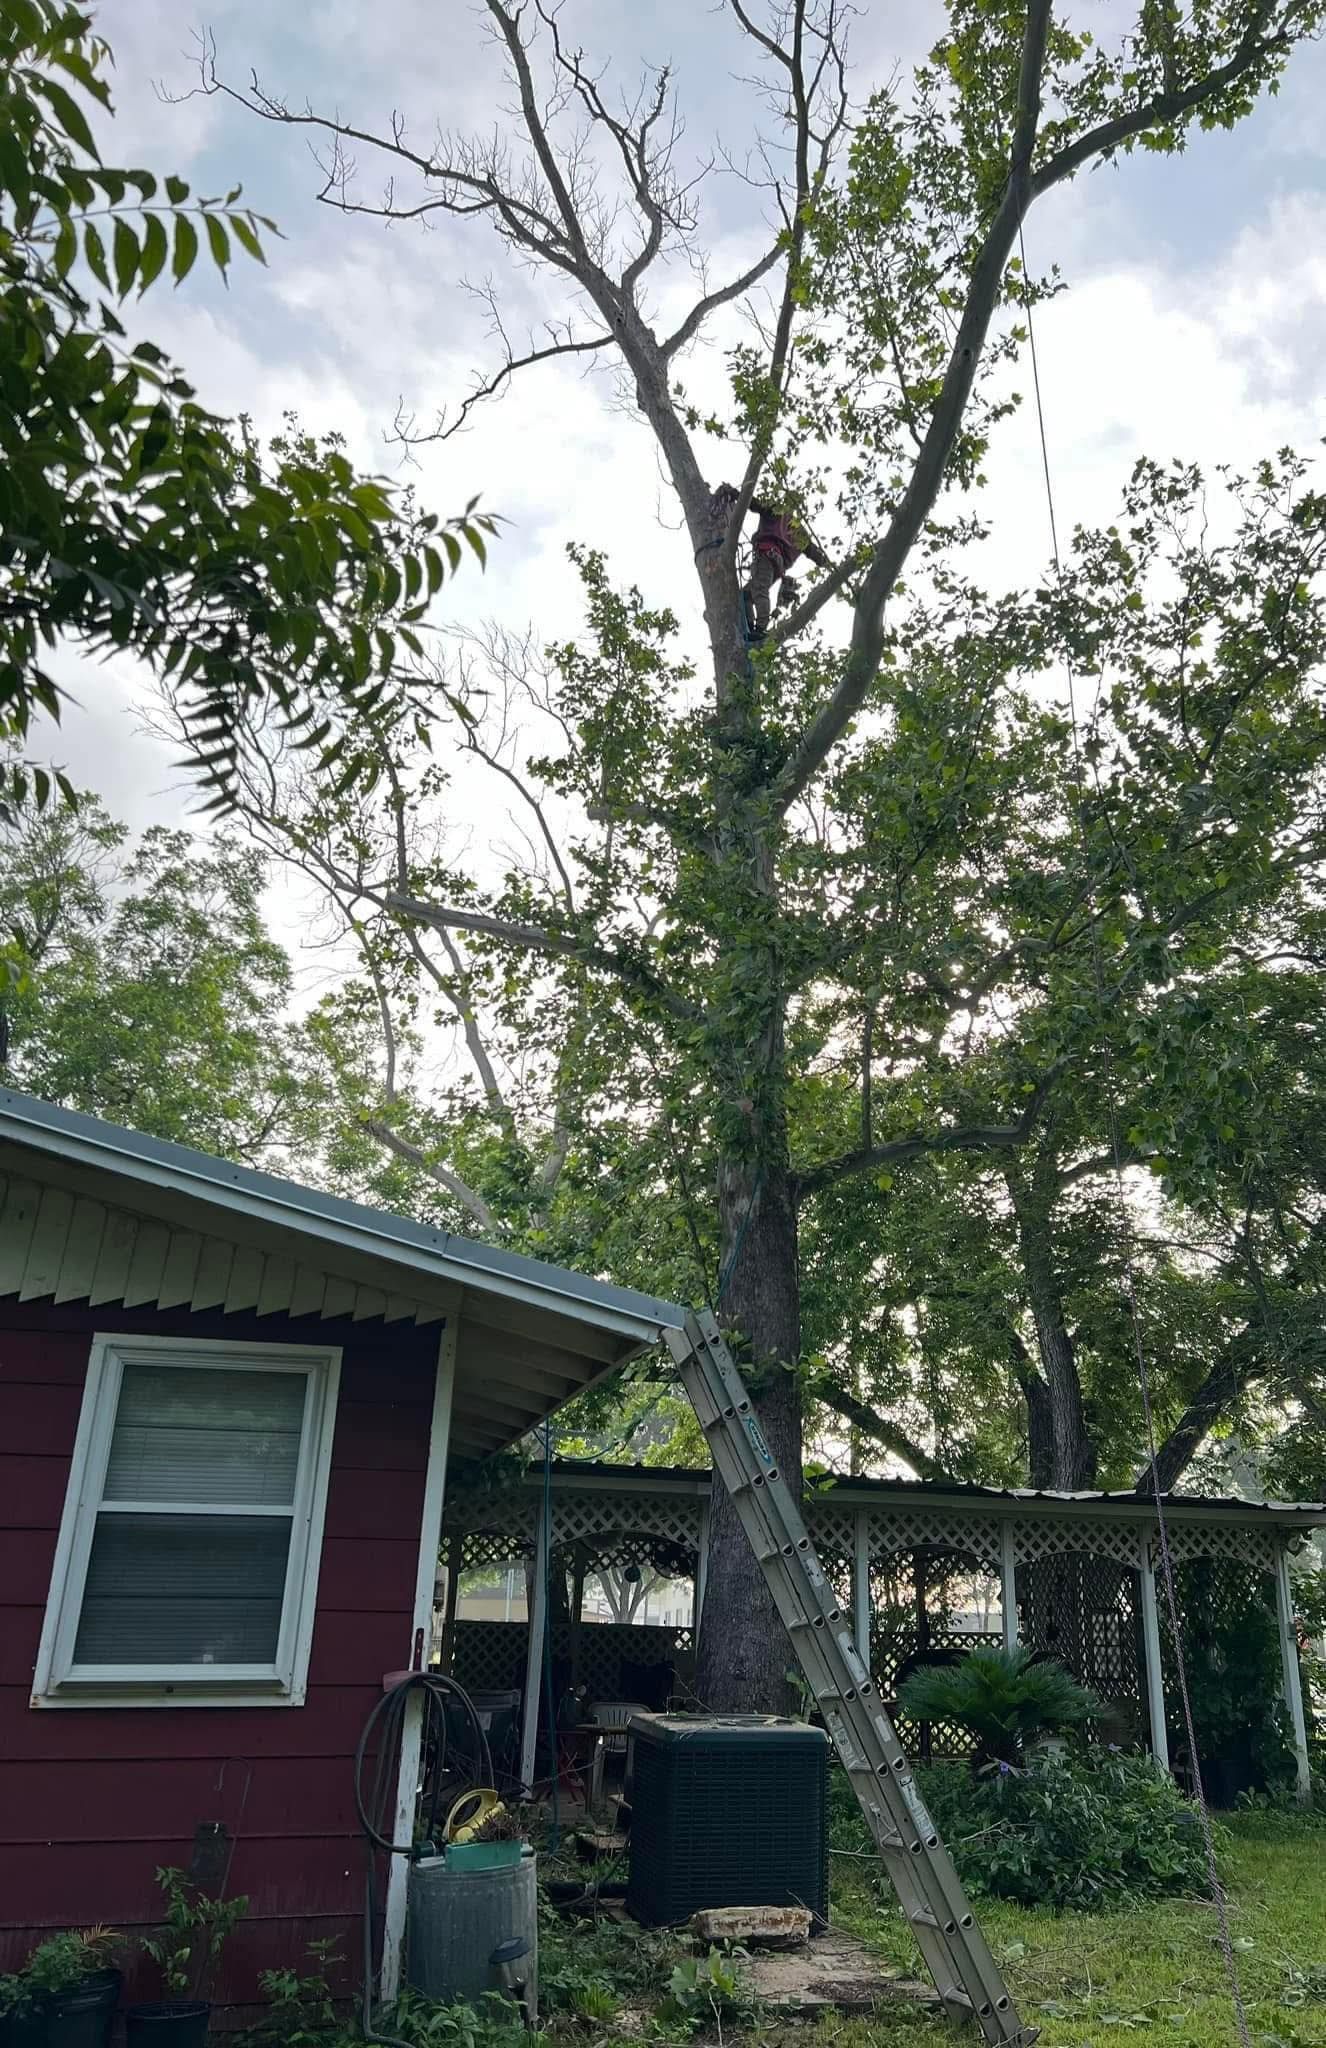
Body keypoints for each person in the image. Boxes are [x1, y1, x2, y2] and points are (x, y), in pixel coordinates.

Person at [740, 496, 830, 641]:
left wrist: (737, 495)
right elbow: (811, 550)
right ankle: (749, 627)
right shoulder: (797, 528)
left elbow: (755, 503)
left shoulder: (776, 510)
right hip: (778, 565)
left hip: (766, 554)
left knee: (759, 590)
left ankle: (760, 628)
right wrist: (825, 563)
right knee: (746, 595)